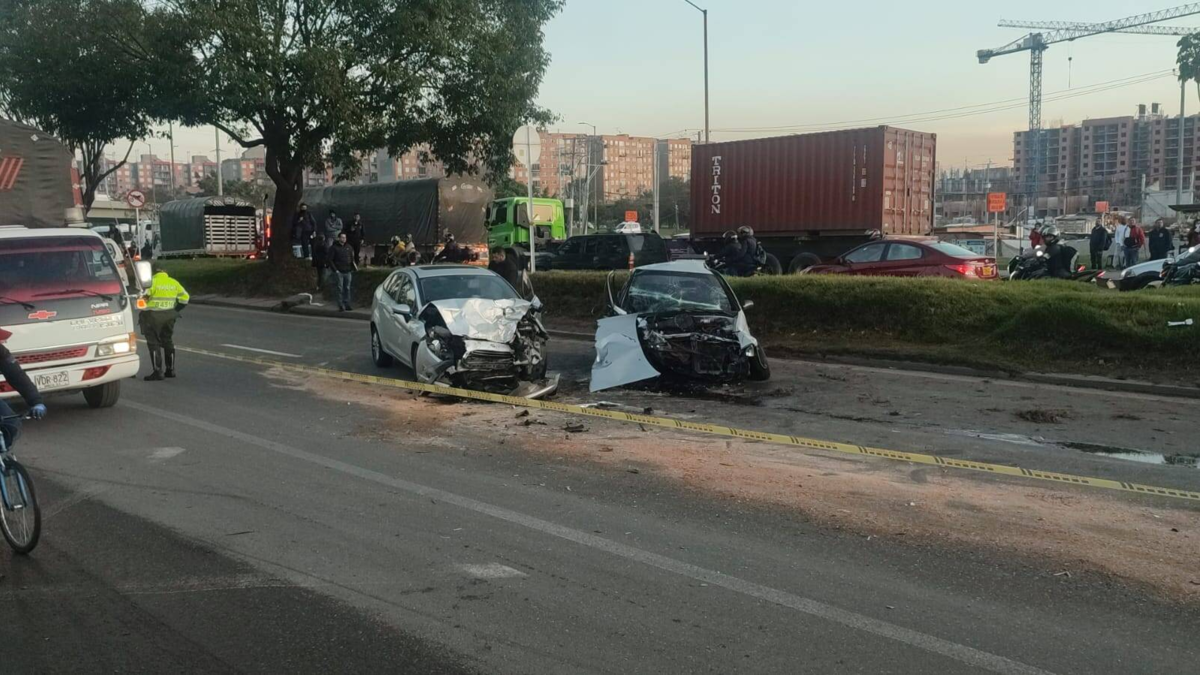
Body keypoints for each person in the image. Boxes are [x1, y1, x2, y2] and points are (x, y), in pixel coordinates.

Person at [139, 265, 190, 381]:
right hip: (169, 315)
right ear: (165, 271)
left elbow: (143, 299)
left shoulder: (151, 283)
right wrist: (175, 310)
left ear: (153, 272)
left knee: (153, 343)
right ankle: (170, 370)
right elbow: (185, 298)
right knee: (167, 340)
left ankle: (158, 371)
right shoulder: (173, 282)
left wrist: (141, 304)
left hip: (152, 316)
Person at [0, 330, 48, 451]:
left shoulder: (1, 351)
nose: (3, 341)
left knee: (11, 424)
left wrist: (36, 402)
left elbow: (17, 375)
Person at [329, 232, 358, 311]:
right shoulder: (334, 248)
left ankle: (347, 304)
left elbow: (352, 258)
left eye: (345, 237)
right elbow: (330, 260)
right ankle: (340, 305)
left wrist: (353, 267)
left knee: (347, 288)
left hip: (348, 271)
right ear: (339, 238)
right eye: (342, 237)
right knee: (340, 288)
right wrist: (336, 270)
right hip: (339, 271)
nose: (344, 239)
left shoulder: (349, 247)